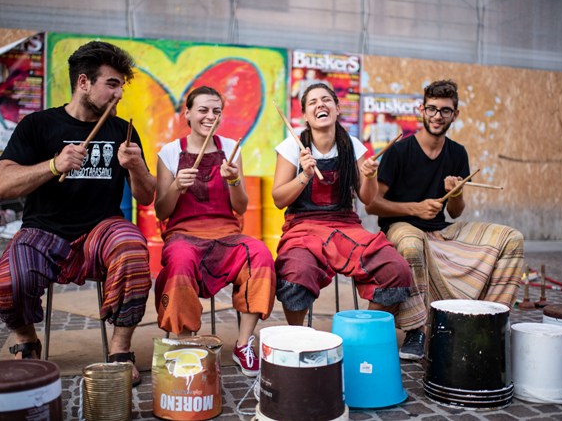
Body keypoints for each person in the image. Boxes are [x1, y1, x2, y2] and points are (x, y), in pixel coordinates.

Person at [0, 41, 155, 386]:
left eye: (122, 86)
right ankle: (26, 341)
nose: (119, 94)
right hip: (44, 231)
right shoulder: (37, 125)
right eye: (112, 84)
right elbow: (1, 186)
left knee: (132, 246)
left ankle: (120, 350)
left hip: (102, 231)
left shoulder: (121, 130)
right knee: (9, 281)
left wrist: (137, 167)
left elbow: (147, 196)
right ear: (83, 82)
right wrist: (54, 164)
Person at [366, 79, 524, 358]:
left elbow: (456, 212)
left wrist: (455, 193)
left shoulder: (457, 153)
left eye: (445, 111)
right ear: (421, 110)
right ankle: (416, 330)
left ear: (455, 115)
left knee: (511, 238)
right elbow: (372, 205)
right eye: (432, 109)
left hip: (440, 229)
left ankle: (489, 321)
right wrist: (414, 209)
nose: (438, 116)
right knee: (412, 243)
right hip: (401, 227)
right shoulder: (399, 151)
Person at [272, 83, 423, 358]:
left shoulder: (352, 145)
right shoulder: (292, 146)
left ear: (337, 108)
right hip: (303, 227)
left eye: (327, 100)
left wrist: (370, 175)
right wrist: (304, 175)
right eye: (313, 102)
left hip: (345, 226)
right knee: (295, 274)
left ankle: (360, 339)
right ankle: (298, 339)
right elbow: (279, 199)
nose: (321, 105)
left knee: (395, 269)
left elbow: (367, 198)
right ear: (305, 115)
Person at [153, 86, 276, 377]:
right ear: (188, 114)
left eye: (216, 111)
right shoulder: (169, 153)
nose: (210, 116)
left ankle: (244, 343)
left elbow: (242, 207)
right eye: (203, 110)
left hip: (227, 233)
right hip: (183, 234)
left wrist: (234, 181)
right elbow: (161, 211)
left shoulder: (231, 148)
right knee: (180, 260)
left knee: (259, 253)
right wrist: (175, 187)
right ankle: (185, 343)